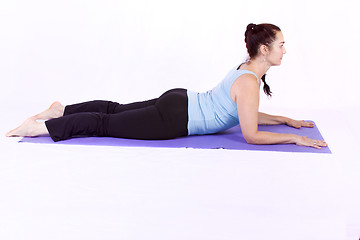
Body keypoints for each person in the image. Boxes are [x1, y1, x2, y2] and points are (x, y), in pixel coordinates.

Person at [6, 23, 327, 149]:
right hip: (174, 119)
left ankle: (61, 110)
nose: (285, 50)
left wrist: (284, 118)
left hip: (178, 100)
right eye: (282, 45)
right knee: (106, 125)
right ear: (264, 50)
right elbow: (250, 133)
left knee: (114, 111)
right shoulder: (249, 83)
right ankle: (40, 128)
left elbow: (246, 113)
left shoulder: (246, 71)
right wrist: (295, 137)